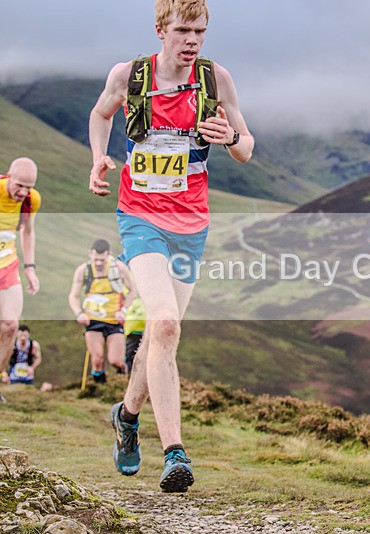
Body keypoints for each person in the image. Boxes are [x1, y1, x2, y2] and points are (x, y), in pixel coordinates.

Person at [88, 0, 253, 493]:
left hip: (191, 223)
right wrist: (99, 157)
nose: (192, 40)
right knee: (162, 323)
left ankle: (127, 414)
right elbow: (101, 114)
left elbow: (246, 148)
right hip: (140, 218)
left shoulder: (215, 79)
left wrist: (230, 136)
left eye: (199, 30)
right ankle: (175, 452)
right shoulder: (131, 75)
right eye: (182, 29)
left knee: (165, 336)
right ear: (160, 29)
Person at [0, 158, 41, 402]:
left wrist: (30, 268)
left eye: (29, 186)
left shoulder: (30, 200)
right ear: (8, 176)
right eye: (19, 185)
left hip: (7, 265)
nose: (23, 192)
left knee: (11, 326)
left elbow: (28, 231)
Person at [68, 239, 137, 382]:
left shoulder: (119, 268)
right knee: (97, 359)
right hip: (92, 320)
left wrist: (123, 310)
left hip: (114, 319)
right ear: (90, 254)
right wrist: (79, 313)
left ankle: (122, 380)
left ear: (108, 255)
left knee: (115, 360)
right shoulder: (83, 271)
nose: (98, 263)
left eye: (102, 260)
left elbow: (132, 291)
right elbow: (73, 296)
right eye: (96, 259)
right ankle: (100, 390)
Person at [123, 297, 146, 374]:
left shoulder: (130, 299)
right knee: (131, 357)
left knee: (132, 357)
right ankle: (127, 376)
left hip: (133, 331)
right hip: (133, 332)